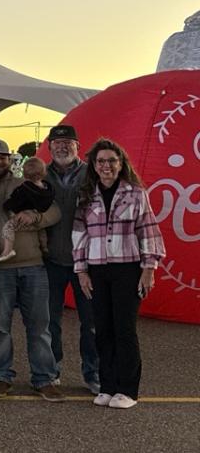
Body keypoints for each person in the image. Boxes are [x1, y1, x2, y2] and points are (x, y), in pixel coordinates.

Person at [73, 139, 165, 409]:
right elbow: (79, 235)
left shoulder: (136, 193)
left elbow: (147, 230)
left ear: (121, 163)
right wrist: (81, 271)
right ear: (93, 165)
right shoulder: (86, 195)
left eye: (112, 161)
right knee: (102, 329)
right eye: (101, 161)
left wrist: (149, 269)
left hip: (128, 268)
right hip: (97, 269)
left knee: (124, 329)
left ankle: (128, 390)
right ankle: (107, 386)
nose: (106, 166)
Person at [0, 138, 64, 401]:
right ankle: (2, 376)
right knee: (0, 327)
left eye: (2, 157)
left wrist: (35, 217)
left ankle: (44, 378)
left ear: (10, 159)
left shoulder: (24, 184)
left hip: (33, 264)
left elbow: (54, 211)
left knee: (39, 326)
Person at [42, 124, 100, 394]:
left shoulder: (93, 173)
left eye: (68, 142)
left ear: (78, 146)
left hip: (86, 263)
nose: (62, 147)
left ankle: (93, 373)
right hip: (50, 260)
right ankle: (52, 370)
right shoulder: (40, 175)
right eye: (57, 143)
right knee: (50, 320)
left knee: (90, 322)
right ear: (50, 146)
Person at [0, 156, 54, 262]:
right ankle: (44, 247)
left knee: (7, 228)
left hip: (23, 214)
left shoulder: (25, 188)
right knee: (41, 230)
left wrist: (8, 206)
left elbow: (16, 199)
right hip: (38, 213)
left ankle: (8, 250)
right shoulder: (48, 188)